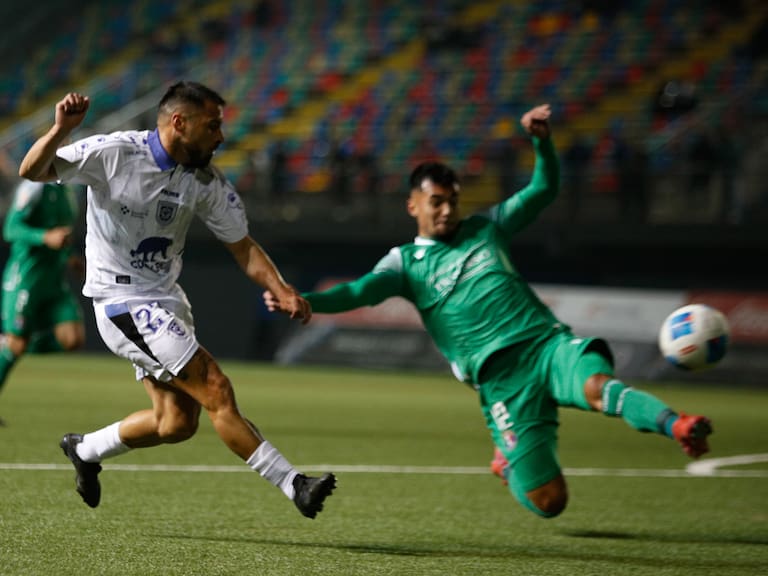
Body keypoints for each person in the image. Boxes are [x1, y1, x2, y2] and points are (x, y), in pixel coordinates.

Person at [264, 104, 712, 519]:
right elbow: (359, 291)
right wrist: (306, 301)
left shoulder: (487, 228)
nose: (445, 210)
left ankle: (677, 424)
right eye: (435, 202)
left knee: (598, 385)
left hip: (547, 346)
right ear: (413, 205)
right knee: (549, 501)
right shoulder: (404, 264)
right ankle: (508, 460)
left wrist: (540, 141)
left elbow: (544, 188)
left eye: (452, 201)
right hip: (501, 381)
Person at [18, 82, 336, 518]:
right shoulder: (114, 153)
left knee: (176, 423)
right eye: (212, 126)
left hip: (167, 301)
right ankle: (294, 483)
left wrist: (282, 289)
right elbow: (32, 170)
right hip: (122, 301)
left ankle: (86, 449)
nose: (220, 136)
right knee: (217, 390)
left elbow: (242, 246)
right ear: (179, 123)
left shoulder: (204, 180)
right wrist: (60, 130)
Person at [0, 180, 86, 425]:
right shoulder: (33, 187)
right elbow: (11, 228)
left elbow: (62, 233)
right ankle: (12, 343)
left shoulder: (69, 189)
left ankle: (9, 342)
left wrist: (71, 259)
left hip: (54, 280)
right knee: (16, 345)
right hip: (26, 277)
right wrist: (44, 236)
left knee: (73, 338)